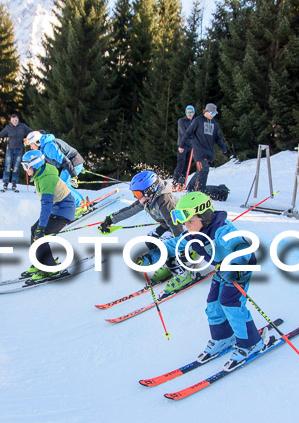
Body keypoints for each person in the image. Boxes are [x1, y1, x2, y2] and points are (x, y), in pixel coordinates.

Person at [137, 191, 266, 371]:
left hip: (238, 271)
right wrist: (151, 257)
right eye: (184, 222)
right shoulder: (194, 234)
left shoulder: (223, 230)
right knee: (213, 303)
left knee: (231, 303)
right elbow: (174, 245)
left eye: (190, 221)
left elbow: (243, 247)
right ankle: (223, 337)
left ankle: (251, 343)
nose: (186, 226)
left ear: (204, 217)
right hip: (221, 270)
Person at [98, 171, 188, 290]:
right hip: (168, 226)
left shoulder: (164, 200)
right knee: (150, 240)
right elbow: (132, 209)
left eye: (138, 194)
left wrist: (180, 244)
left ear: (149, 189)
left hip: (184, 227)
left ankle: (182, 273)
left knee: (164, 245)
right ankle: (170, 264)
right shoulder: (148, 198)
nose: (137, 197)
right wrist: (110, 220)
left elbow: (175, 225)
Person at [20, 150, 76, 281]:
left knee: (40, 233)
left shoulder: (46, 179)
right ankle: (39, 261)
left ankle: (50, 267)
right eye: (24, 166)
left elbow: (46, 205)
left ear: (36, 165)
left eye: (26, 166)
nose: (25, 170)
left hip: (63, 212)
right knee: (34, 230)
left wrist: (42, 226)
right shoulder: (40, 174)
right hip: (57, 210)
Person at [25, 130, 86, 211]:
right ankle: (82, 203)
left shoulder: (48, 147)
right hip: (73, 163)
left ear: (37, 142)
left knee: (63, 186)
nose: (31, 148)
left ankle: (80, 205)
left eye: (31, 144)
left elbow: (64, 160)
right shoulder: (46, 145)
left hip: (72, 163)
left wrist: (74, 174)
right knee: (64, 185)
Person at [181, 103, 227, 192]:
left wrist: (223, 147)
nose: (213, 116)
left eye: (214, 114)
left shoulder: (214, 123)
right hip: (199, 152)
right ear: (206, 111)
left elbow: (218, 138)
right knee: (204, 170)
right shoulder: (198, 120)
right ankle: (199, 192)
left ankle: (190, 188)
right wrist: (182, 145)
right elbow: (188, 132)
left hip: (209, 153)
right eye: (212, 114)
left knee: (200, 170)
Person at [0, 114, 33, 192]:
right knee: (8, 166)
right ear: (11, 121)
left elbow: (31, 132)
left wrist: (36, 136)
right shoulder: (8, 128)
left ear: (18, 120)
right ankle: (6, 182)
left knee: (16, 167)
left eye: (16, 120)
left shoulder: (22, 126)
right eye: (13, 121)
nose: (15, 122)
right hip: (10, 149)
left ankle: (14, 183)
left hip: (19, 149)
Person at [174, 105, 196, 190]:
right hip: (182, 146)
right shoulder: (181, 121)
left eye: (191, 112)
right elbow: (184, 133)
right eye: (188, 112)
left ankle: (182, 183)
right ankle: (175, 182)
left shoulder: (194, 121)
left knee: (187, 166)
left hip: (191, 147)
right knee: (181, 164)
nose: (189, 114)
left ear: (193, 113)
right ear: (186, 113)